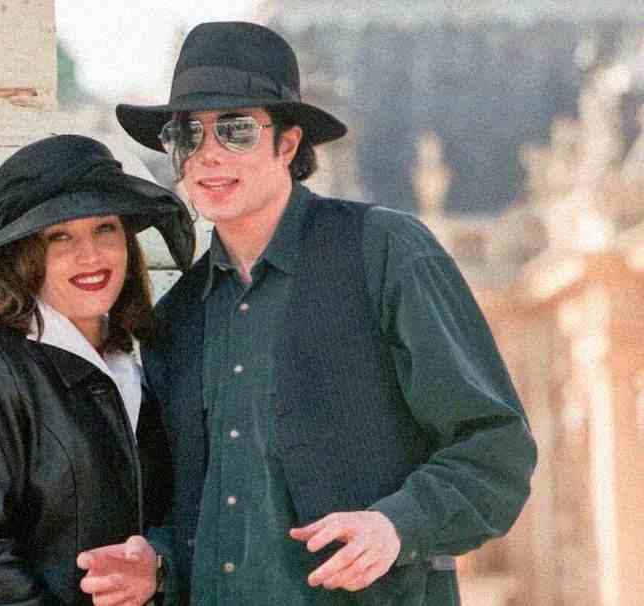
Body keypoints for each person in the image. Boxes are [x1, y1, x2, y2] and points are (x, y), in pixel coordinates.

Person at [78, 21, 537, 605]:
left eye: (236, 130)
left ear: (288, 144)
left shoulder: (385, 252)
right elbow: (196, 505)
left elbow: (495, 447)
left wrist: (397, 526)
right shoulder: (175, 317)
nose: (207, 153)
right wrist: (159, 562)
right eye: (187, 134)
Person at [0, 134, 194, 605]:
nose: (90, 255)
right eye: (60, 236)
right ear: (24, 256)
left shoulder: (142, 365)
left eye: (104, 229)